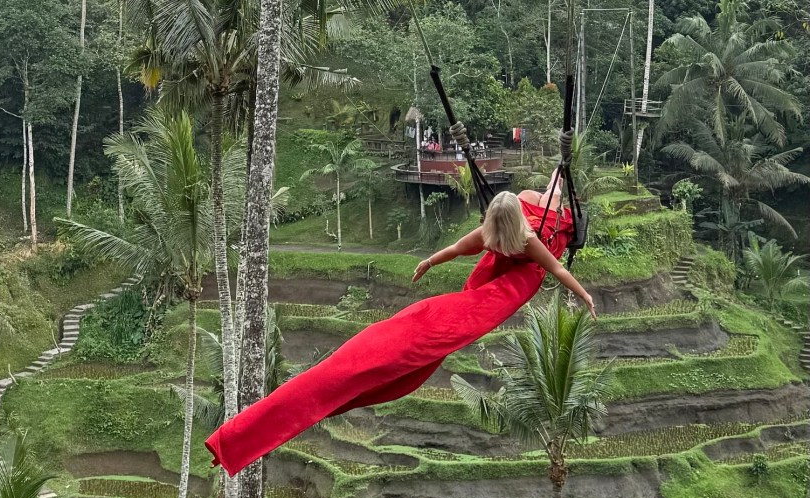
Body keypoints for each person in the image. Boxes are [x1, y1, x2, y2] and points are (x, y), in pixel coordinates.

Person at [204, 169, 596, 478]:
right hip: (487, 280)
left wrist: (585, 295)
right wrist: (427, 262)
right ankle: (238, 440)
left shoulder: (531, 240)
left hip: (512, 286)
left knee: (432, 332)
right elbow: (456, 249)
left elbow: (557, 270)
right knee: (404, 335)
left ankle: (243, 439)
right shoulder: (496, 230)